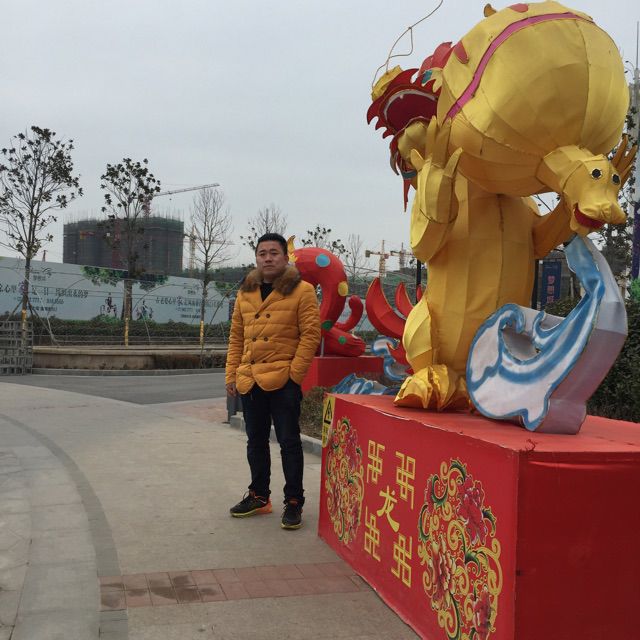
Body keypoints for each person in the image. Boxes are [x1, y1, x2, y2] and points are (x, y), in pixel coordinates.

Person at [225, 233, 321, 529]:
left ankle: (293, 501)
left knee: (289, 443)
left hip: (283, 381)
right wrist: (232, 374)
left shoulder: (302, 290)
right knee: (255, 441)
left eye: (273, 253)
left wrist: (295, 375)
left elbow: (311, 335)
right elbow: (236, 337)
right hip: (250, 379)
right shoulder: (245, 292)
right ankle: (259, 496)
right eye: (262, 253)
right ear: (256, 257)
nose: (267, 258)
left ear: (285, 257)